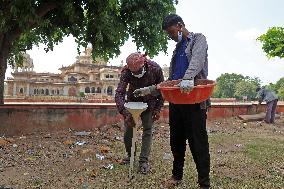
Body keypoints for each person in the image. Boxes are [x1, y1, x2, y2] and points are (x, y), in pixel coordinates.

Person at [134, 14, 210, 188]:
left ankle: (204, 183)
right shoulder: (177, 50)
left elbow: (197, 60)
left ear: (180, 25)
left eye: (171, 33)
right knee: (176, 142)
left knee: (198, 143)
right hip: (177, 102)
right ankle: (177, 176)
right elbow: (172, 80)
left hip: (194, 100)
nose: (171, 37)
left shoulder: (198, 39)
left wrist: (189, 77)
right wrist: (151, 89)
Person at [115, 52, 164, 174]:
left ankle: (143, 161)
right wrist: (125, 113)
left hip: (149, 104)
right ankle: (130, 155)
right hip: (133, 103)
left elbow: (162, 89)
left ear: (144, 64)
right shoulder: (126, 72)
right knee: (128, 131)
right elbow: (119, 93)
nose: (136, 74)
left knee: (147, 130)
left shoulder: (155, 69)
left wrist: (158, 109)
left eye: (138, 71)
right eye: (134, 72)